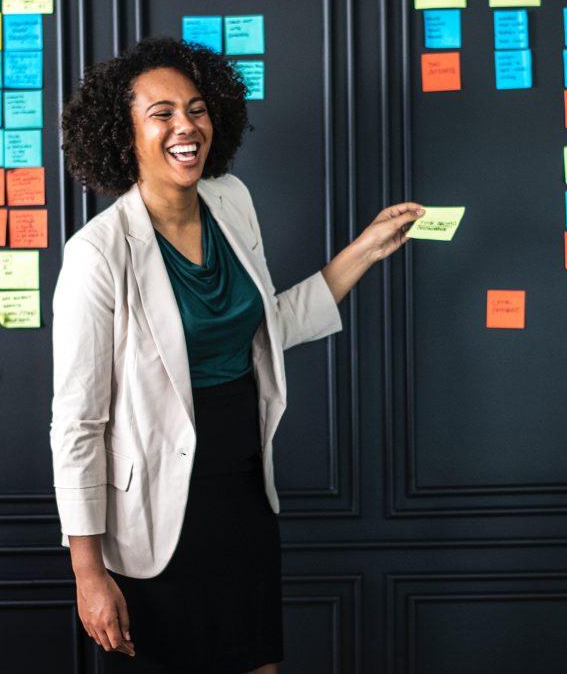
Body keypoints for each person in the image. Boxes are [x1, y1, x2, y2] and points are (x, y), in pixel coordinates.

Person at [50, 37, 423, 672]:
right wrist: (87, 572)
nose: (184, 127)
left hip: (244, 491)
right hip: (154, 517)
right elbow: (78, 423)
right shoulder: (98, 254)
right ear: (124, 133)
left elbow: (266, 327)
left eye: (196, 108)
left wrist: (366, 249)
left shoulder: (230, 200)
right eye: (161, 113)